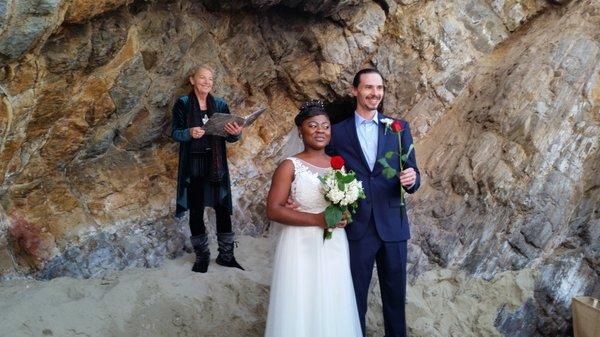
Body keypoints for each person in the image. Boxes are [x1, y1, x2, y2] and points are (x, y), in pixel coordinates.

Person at [327, 68, 420, 337]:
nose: (375, 93)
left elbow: (413, 172)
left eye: (379, 88)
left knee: (395, 298)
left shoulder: (398, 128)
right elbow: (331, 175)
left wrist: (412, 179)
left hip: (393, 224)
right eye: (369, 88)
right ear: (355, 90)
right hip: (358, 226)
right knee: (354, 297)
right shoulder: (338, 131)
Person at [264, 101, 362, 337]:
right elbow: (274, 210)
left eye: (326, 126)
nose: (320, 131)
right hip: (300, 243)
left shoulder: (338, 166)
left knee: (333, 298)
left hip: (334, 243)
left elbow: (343, 206)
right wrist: (317, 220)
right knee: (301, 300)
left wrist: (345, 216)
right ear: (301, 130)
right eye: (313, 125)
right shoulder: (290, 166)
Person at [171, 65, 244, 273]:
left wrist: (236, 132)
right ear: (192, 80)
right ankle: (202, 257)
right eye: (202, 78)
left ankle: (226, 256)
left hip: (216, 162)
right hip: (193, 164)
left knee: (222, 207)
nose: (207, 82)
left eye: (210, 79)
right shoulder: (183, 104)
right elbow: (174, 132)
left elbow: (231, 137)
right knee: (196, 209)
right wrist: (188, 132)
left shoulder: (220, 104)